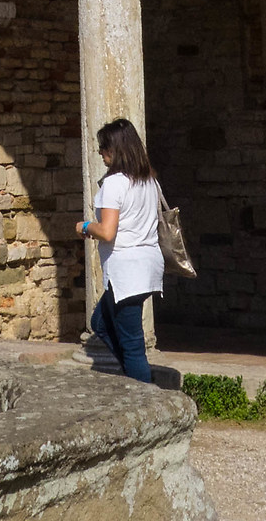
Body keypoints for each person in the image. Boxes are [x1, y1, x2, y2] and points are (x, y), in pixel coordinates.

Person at [74, 117, 164, 384]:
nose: (101, 154)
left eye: (103, 149)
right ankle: (133, 377)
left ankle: (146, 400)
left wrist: (85, 226)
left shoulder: (114, 183)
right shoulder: (149, 181)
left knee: (133, 346)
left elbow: (108, 232)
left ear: (114, 150)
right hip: (148, 266)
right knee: (100, 321)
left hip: (127, 272)